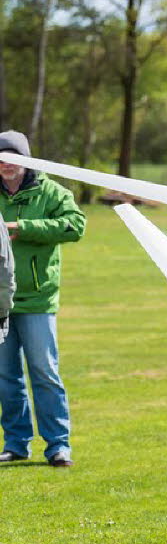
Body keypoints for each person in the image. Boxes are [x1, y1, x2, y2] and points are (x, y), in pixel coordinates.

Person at [0, 130, 86, 466]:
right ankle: (16, 443)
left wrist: (25, 228)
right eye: (1, 158)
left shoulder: (51, 192)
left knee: (44, 372)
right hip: (0, 303)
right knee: (6, 377)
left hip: (37, 300)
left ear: (26, 160)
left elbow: (75, 225)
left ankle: (58, 445)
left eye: (13, 157)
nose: (6, 164)